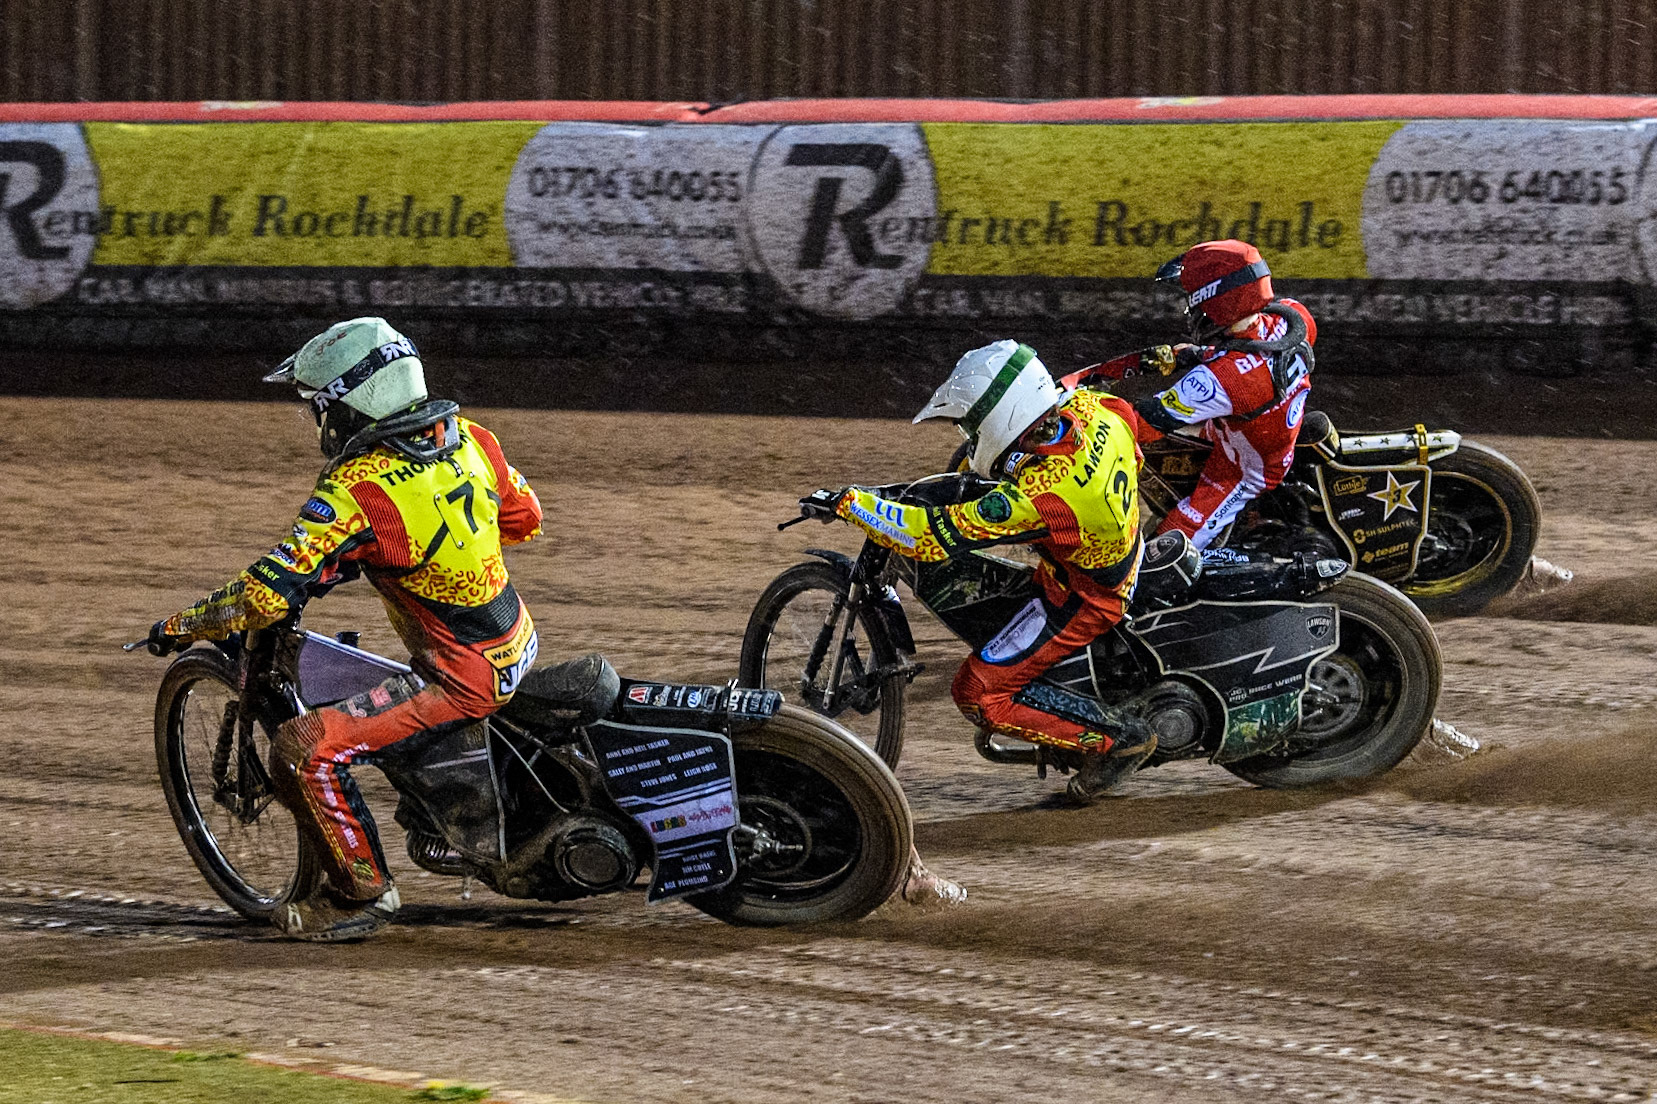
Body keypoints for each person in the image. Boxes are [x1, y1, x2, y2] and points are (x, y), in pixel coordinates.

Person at [148, 317, 544, 941]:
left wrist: (182, 624)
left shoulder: (359, 487)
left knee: (303, 750)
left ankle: (360, 894)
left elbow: (261, 593)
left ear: (347, 408)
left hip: (462, 676)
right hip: (517, 639)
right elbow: (524, 519)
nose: (318, 424)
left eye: (318, 409)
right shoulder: (472, 438)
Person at [812, 340, 1157, 804]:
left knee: (977, 692)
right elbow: (1121, 419)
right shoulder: (1092, 410)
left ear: (1005, 414)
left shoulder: (1043, 495)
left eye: (972, 424)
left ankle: (1119, 741)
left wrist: (849, 503)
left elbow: (926, 535)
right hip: (1112, 553)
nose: (969, 436)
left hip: (1085, 598)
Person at [1071, 239, 1317, 551]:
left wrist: (1081, 413)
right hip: (1260, 434)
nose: (1190, 308)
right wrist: (1204, 353)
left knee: (1166, 551)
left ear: (1217, 301)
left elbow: (1140, 424)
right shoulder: (1296, 317)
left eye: (1193, 298)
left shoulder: (1219, 381)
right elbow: (1258, 356)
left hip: (1242, 470)